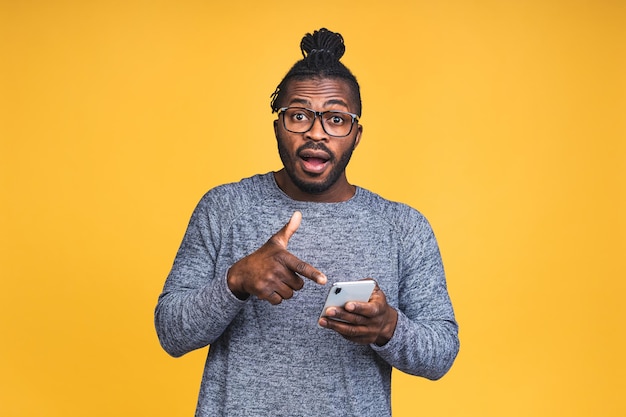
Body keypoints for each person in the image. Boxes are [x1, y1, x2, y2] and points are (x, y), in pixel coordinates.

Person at [155, 28, 459, 417]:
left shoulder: (402, 227)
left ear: (356, 134)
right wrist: (237, 281)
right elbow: (171, 333)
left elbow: (441, 353)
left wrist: (388, 327)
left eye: (335, 118)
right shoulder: (224, 208)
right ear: (278, 126)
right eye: (299, 115)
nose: (316, 133)